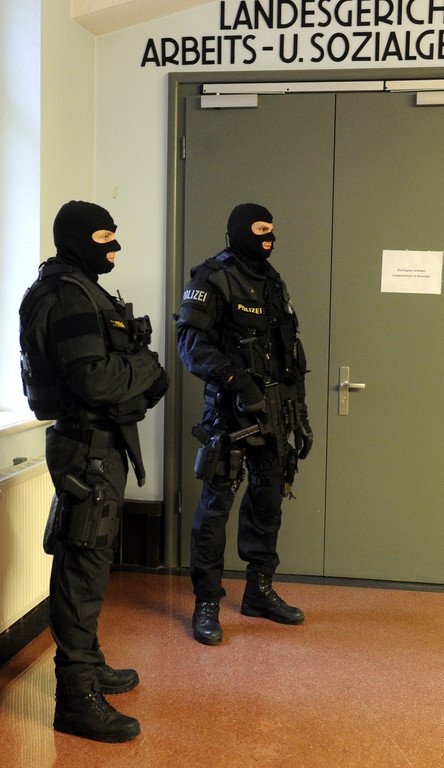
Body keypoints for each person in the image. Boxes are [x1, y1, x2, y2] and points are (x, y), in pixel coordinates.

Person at [18, 201, 168, 743]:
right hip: (87, 446)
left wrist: (138, 379)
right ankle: (76, 698)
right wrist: (147, 365)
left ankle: (90, 664)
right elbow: (97, 382)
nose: (115, 247)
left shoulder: (83, 288)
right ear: (78, 239)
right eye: (105, 237)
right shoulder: (67, 296)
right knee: (82, 568)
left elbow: (112, 377)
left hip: (97, 444)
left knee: (90, 562)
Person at [177, 203, 313, 646]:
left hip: (275, 413)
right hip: (229, 414)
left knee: (267, 503)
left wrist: (300, 413)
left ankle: (259, 591)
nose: (268, 238)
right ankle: (206, 602)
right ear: (239, 231)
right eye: (259, 230)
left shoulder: (272, 280)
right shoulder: (212, 278)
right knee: (215, 510)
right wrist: (239, 384)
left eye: (272, 230)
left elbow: (290, 351)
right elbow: (191, 346)